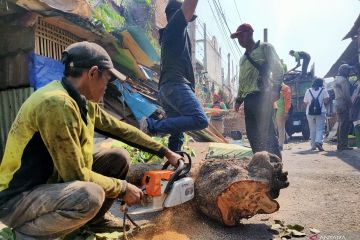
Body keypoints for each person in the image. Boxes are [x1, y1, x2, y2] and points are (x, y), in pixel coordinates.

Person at [0, 41, 182, 239]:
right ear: (93, 73)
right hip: (17, 200)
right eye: (107, 80)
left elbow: (121, 130)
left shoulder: (83, 101)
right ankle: (27, 234)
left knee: (117, 157)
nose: (107, 87)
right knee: (89, 196)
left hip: (50, 182)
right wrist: (122, 188)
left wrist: (164, 151)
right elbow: (75, 175)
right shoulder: (56, 103)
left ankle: (93, 222)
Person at [140, 0, 208, 152]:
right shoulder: (175, 26)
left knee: (177, 133)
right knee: (200, 119)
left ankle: (175, 164)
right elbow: (190, 4)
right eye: (187, 18)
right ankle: (152, 126)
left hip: (168, 88)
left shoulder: (171, 33)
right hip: (175, 85)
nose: (188, 22)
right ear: (177, 14)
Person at [231, 23, 284, 159]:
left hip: (262, 97)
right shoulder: (243, 59)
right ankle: (261, 164)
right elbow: (242, 82)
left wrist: (276, 89)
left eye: (241, 36)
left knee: (267, 134)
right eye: (238, 38)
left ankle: (276, 167)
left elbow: (277, 68)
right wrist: (238, 100)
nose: (240, 40)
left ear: (250, 33)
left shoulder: (265, 48)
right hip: (249, 101)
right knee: (253, 135)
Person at [303, 78, 329, 151]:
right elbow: (326, 100)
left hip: (309, 112)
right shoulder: (323, 90)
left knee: (312, 129)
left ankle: (313, 145)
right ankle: (318, 142)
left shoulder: (308, 90)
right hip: (321, 111)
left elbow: (305, 102)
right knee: (320, 128)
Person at [334, 64, 354, 151]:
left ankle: (340, 144)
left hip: (338, 103)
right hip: (343, 103)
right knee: (344, 125)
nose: (349, 72)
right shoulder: (343, 80)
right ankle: (343, 145)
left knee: (340, 125)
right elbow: (346, 94)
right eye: (347, 70)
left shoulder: (336, 79)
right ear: (343, 70)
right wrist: (351, 105)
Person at [275, 83, 292, 151]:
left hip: (281, 111)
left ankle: (280, 145)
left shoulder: (285, 88)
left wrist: (286, 111)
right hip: (274, 111)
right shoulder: (273, 86)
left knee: (280, 128)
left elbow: (288, 100)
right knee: (278, 128)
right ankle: (286, 137)